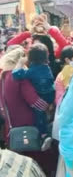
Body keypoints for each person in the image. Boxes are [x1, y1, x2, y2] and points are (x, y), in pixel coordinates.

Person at [0, 48, 58, 176]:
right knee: (36, 160)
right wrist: (48, 107)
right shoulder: (20, 77)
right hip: (28, 124)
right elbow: (35, 101)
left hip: (11, 127)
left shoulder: (3, 76)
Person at [12, 43, 55, 150]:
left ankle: (44, 135)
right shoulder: (46, 67)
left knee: (39, 117)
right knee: (47, 115)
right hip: (50, 95)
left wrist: (20, 63)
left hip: (42, 97)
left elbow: (15, 74)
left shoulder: (32, 71)